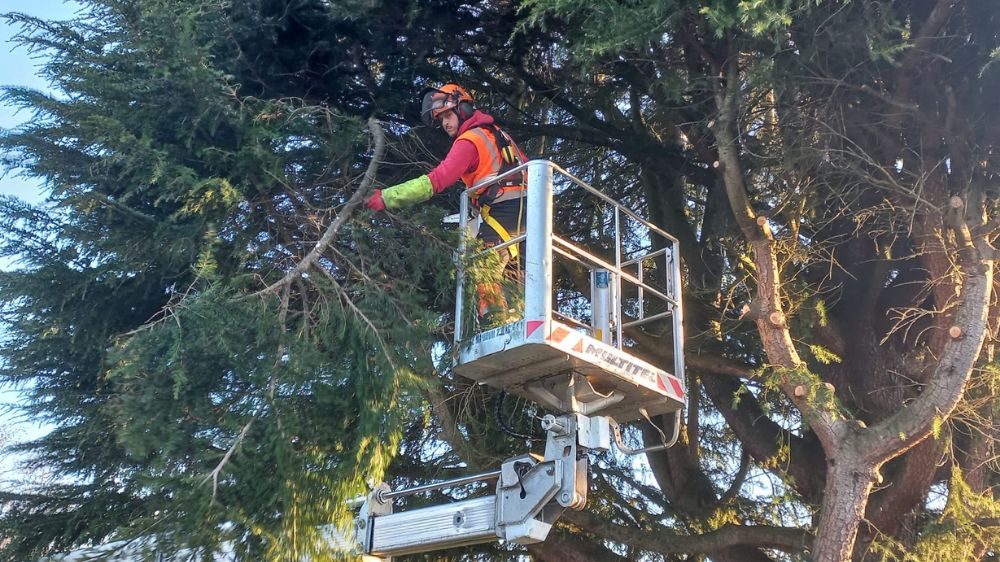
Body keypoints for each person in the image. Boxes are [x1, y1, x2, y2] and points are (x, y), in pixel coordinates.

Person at [366, 83, 528, 322]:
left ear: (463, 109)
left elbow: (437, 180)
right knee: (512, 276)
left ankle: (496, 324)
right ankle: (518, 319)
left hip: (507, 207)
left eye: (448, 115)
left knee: (483, 264)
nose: (445, 123)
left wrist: (388, 197)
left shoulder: (470, 141)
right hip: (526, 208)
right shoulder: (497, 134)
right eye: (441, 119)